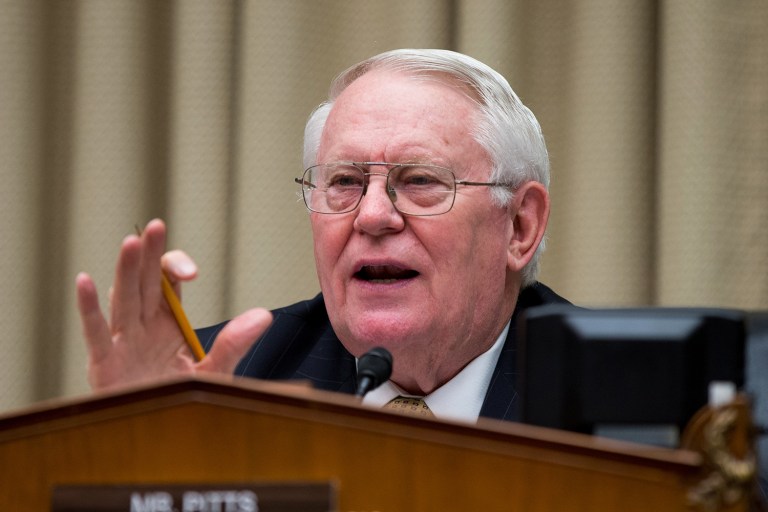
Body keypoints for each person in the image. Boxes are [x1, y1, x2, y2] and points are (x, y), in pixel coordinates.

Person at [75, 48, 568, 423]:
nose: (372, 215)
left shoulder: (606, 394)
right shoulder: (217, 385)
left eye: (420, 180)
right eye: (345, 181)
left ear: (519, 227)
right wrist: (146, 440)